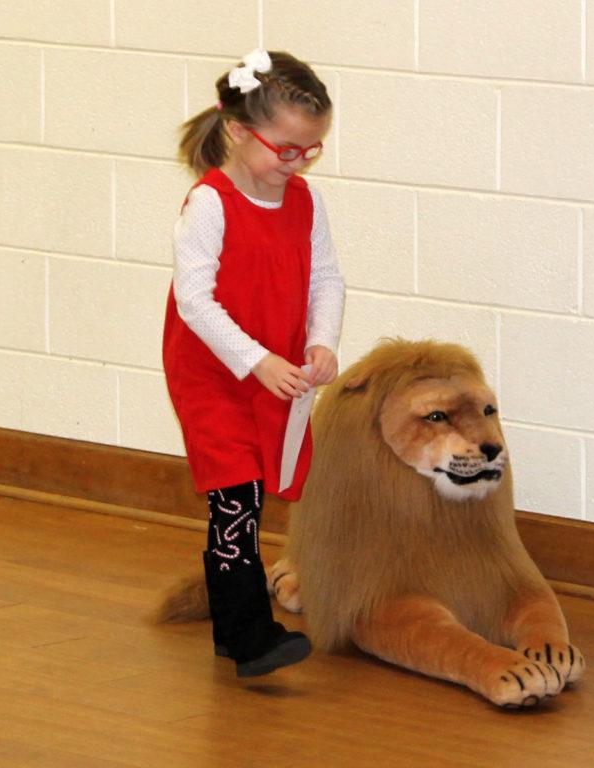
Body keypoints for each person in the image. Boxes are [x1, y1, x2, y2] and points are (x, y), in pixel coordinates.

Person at [162, 48, 345, 677]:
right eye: (285, 149)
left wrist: (321, 341)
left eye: (310, 150)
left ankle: (233, 630)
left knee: (260, 488)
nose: (296, 163)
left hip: (277, 370)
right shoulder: (209, 203)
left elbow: (326, 278)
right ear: (239, 131)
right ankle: (248, 635)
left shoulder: (306, 202)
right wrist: (255, 359)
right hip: (215, 372)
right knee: (235, 498)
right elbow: (194, 300)